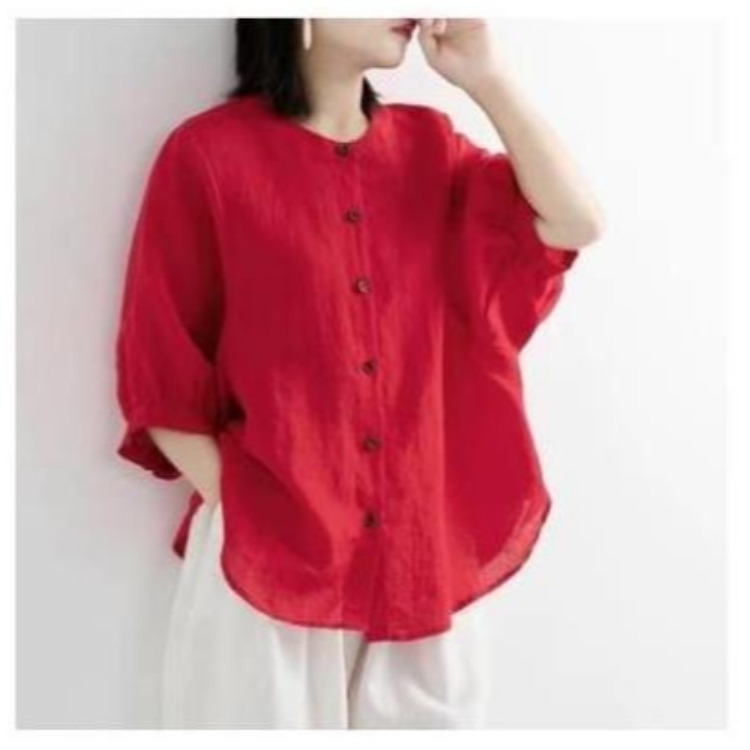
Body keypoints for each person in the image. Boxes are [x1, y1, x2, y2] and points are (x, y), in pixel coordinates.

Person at [114, 18, 605, 729]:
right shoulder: (209, 156)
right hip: (268, 571)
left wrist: (486, 79)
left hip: (421, 567)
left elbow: (575, 222)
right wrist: (247, 511)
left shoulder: (432, 150)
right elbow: (160, 372)